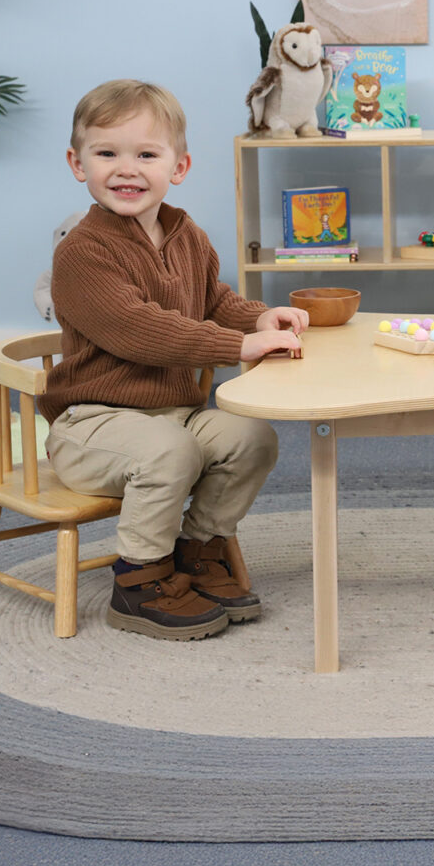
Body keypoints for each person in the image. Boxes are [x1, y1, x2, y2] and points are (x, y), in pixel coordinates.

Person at [39, 80, 309, 640]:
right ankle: (138, 578)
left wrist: (258, 319)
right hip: (92, 422)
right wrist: (237, 348)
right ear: (76, 162)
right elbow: (138, 331)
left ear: (178, 166)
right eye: (106, 153)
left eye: (146, 154)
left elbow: (215, 300)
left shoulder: (187, 236)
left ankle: (197, 549)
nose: (126, 169)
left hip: (172, 414)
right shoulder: (82, 253)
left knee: (251, 437)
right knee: (170, 450)